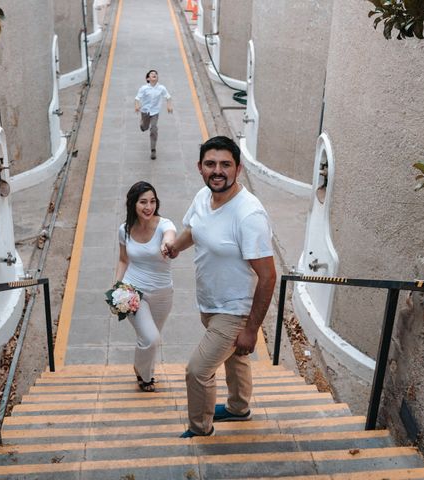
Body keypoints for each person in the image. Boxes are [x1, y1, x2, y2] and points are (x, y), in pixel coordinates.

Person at [164, 136, 277, 437]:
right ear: (199, 168)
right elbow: (194, 229)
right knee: (236, 357)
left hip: (234, 310)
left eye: (225, 164)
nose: (218, 170)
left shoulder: (248, 215)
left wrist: (251, 328)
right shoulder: (203, 196)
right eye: (210, 164)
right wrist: (175, 247)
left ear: (238, 169)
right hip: (210, 302)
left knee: (198, 371)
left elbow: (268, 277)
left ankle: (200, 428)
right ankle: (239, 408)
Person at [113, 181, 176, 392]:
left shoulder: (165, 224)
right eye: (143, 202)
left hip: (162, 293)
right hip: (132, 291)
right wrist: (116, 288)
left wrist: (166, 245)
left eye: (152, 201)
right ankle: (145, 375)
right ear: (133, 204)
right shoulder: (124, 230)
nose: (148, 207)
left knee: (149, 338)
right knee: (151, 338)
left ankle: (141, 367)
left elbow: (170, 237)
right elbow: (123, 260)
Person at [135, 69, 173, 160]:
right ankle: (143, 125)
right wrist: (137, 106)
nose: (154, 75)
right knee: (145, 127)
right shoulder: (144, 88)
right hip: (145, 112)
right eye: (152, 74)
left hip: (155, 112)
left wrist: (169, 106)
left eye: (156, 74)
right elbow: (137, 98)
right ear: (148, 78)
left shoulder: (161, 88)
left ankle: (153, 149)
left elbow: (168, 97)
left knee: (154, 129)